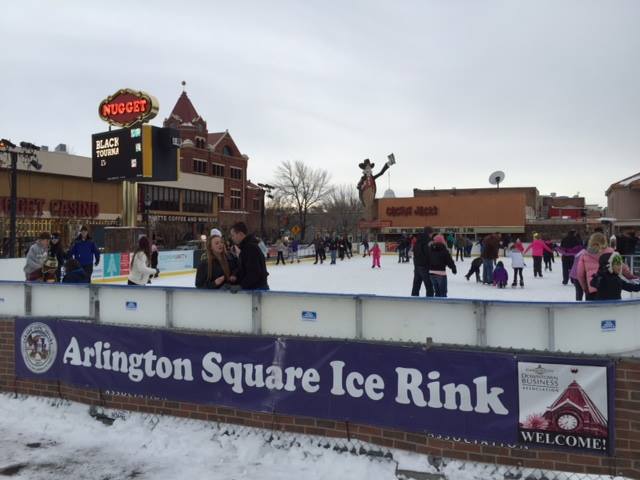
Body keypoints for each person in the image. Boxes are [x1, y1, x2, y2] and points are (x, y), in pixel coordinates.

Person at [230, 222, 269, 290]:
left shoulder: (250, 248)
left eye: (233, 235)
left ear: (240, 234)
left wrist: (241, 286)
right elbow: (246, 268)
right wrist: (236, 275)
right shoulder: (247, 246)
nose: (232, 238)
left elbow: (254, 273)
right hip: (255, 288)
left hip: (257, 290)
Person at [411, 227, 434, 296]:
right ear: (429, 233)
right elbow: (429, 254)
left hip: (417, 266)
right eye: (432, 233)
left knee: (416, 286)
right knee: (429, 286)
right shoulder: (428, 241)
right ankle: (429, 302)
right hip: (425, 266)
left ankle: (414, 301)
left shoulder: (418, 240)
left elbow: (415, 253)